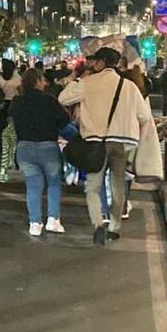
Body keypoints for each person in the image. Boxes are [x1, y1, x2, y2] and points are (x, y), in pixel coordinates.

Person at [60, 47, 154, 246]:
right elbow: (144, 116)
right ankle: (114, 226)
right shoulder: (128, 86)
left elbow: (63, 98)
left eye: (95, 61)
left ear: (101, 62)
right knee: (117, 185)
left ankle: (98, 225)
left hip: (95, 143)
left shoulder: (87, 83)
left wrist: (78, 78)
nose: (93, 64)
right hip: (122, 143)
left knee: (93, 187)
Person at [9, 68, 71, 236]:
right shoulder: (49, 100)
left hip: (24, 149)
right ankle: (53, 219)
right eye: (43, 79)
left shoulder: (17, 101)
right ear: (37, 81)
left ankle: (34, 223)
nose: (45, 83)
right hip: (47, 148)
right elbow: (64, 120)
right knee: (53, 183)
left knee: (33, 186)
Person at [0, 59, 21, 183]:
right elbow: (21, 92)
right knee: (15, 133)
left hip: (0, 107)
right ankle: (14, 158)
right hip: (15, 106)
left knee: (1, 133)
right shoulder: (17, 78)